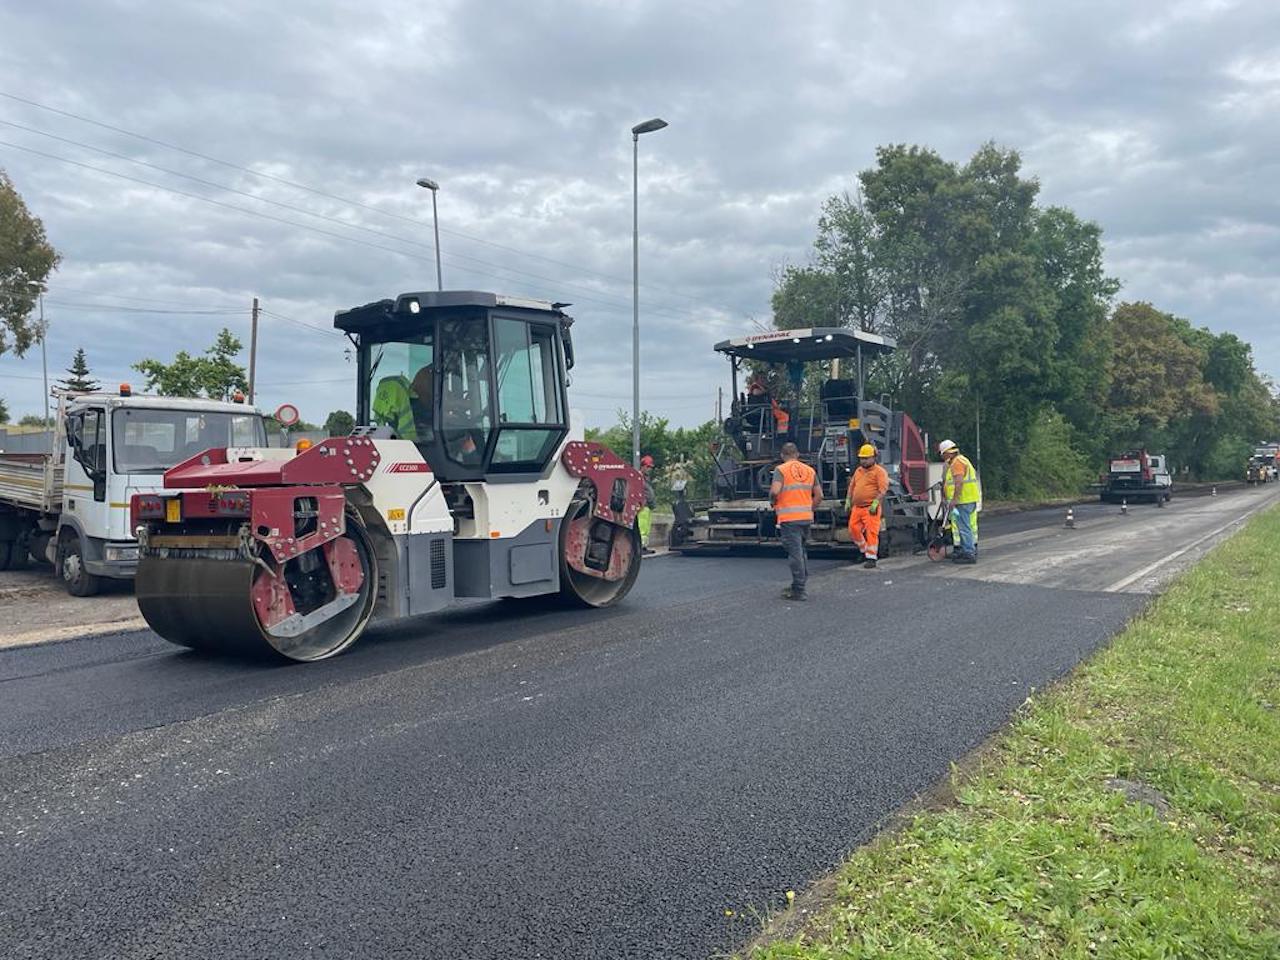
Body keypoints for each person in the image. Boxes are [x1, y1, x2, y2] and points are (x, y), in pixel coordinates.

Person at [770, 441, 823, 601]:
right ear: (797, 454)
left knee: (795, 554)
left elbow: (774, 491)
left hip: (789, 519)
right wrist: (809, 508)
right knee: (801, 552)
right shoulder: (810, 470)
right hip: (806, 518)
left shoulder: (781, 470)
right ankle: (799, 584)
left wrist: (773, 501)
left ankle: (799, 590)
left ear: (782, 455)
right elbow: (819, 496)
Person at [845, 443, 889, 569]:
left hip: (871, 507)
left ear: (873, 458)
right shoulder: (858, 471)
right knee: (853, 529)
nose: (863, 461)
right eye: (861, 458)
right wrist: (848, 499)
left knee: (871, 532)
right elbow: (852, 486)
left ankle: (871, 557)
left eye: (866, 458)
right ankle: (864, 551)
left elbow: (883, 489)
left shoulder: (879, 472)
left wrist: (876, 502)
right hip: (857, 507)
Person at [938, 438, 981, 564]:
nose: (943, 457)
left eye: (943, 454)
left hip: (963, 501)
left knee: (964, 527)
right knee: (966, 526)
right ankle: (968, 550)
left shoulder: (957, 463)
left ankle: (968, 553)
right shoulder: (962, 460)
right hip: (968, 499)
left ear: (948, 452)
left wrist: (954, 500)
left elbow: (958, 482)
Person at [637, 454, 658, 556]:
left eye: (650, 467)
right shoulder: (638, 477)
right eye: (648, 467)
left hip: (648, 507)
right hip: (643, 507)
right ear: (643, 466)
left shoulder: (646, 478)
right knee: (642, 527)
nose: (649, 469)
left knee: (646, 528)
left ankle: (644, 546)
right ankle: (640, 547)